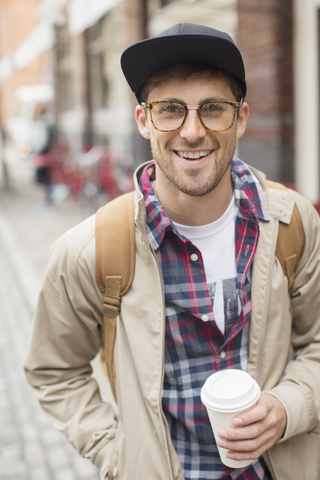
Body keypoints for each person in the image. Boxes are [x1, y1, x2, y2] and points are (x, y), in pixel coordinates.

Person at [24, 23, 320, 480]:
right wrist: (117, 455)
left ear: (240, 118)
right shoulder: (91, 250)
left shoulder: (294, 225)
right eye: (170, 110)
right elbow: (54, 372)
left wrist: (287, 407)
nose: (193, 130)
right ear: (144, 120)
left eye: (214, 109)